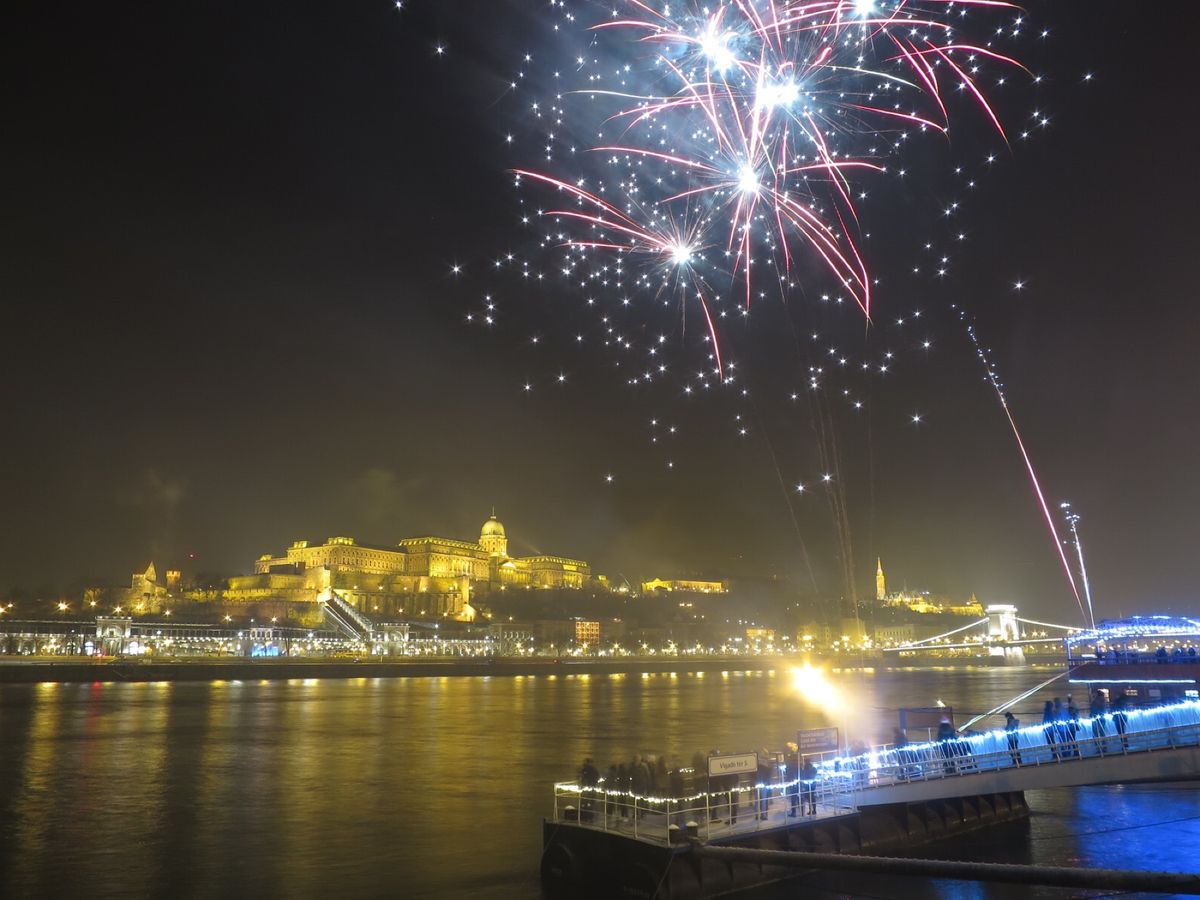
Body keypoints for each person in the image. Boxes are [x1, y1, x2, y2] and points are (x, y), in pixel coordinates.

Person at [784, 742, 800, 817]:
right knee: (796, 795)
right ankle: (799, 809)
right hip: (798, 779)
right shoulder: (798, 759)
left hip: (792, 780)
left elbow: (788, 769)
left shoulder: (791, 760)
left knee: (793, 796)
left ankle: (794, 812)